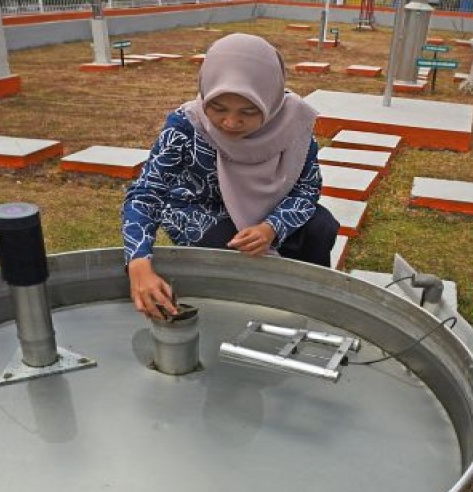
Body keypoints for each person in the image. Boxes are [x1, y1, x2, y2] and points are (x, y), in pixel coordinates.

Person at [121, 33, 339, 319]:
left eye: (249, 112)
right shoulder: (186, 127)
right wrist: (138, 261)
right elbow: (146, 193)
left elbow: (307, 189)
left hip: (270, 206)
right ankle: (237, 318)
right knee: (228, 246)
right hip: (201, 208)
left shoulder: (293, 126)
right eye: (218, 108)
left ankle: (307, 307)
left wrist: (272, 227)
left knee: (320, 226)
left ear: (270, 99)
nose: (231, 123)